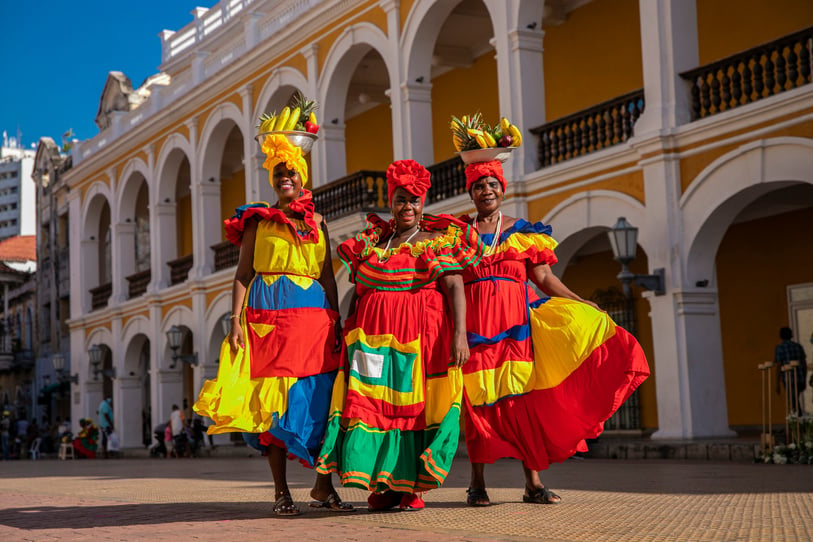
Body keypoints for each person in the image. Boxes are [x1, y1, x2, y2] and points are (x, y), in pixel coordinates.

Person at [458, 158, 650, 506]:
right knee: (478, 404)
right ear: (470, 193)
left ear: (503, 190)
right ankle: (477, 484)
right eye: (478, 186)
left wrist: (582, 302)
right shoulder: (457, 233)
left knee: (522, 404)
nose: (486, 191)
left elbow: (544, 278)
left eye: (492, 185)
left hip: (516, 329)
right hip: (475, 330)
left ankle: (532, 483)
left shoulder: (521, 231)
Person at [195, 129, 352, 516]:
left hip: (312, 319)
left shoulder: (320, 222)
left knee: (318, 399)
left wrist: (335, 318)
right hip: (267, 319)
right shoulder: (258, 222)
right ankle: (282, 491)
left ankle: (323, 485)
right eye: (279, 172)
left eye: (292, 172)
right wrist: (235, 320)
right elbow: (243, 274)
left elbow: (327, 275)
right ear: (273, 178)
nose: (286, 178)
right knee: (274, 403)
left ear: (303, 176)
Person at [316, 159, 484, 512]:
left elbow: (454, 285)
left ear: (423, 204)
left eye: (414, 201)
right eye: (401, 200)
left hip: (421, 340)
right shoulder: (375, 243)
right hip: (372, 340)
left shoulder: (436, 241)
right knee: (372, 407)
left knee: (415, 410)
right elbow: (359, 294)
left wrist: (460, 336)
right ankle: (384, 484)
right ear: (390, 203)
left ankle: (411, 486)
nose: (407, 207)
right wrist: (347, 333)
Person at [774, 327, 808, 415]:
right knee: (795, 399)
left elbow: (778, 365)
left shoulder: (780, 348)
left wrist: (777, 382)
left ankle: (798, 421)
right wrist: (804, 378)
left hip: (788, 378)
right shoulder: (798, 347)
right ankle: (797, 420)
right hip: (799, 377)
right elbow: (804, 364)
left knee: (793, 401)